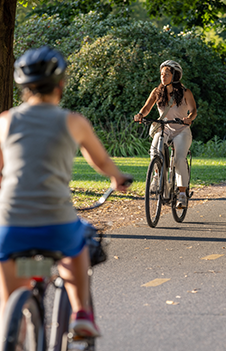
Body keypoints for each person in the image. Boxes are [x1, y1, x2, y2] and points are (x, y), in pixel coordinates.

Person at [0, 46, 132, 337]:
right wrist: (117, 178)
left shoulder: (6, 121)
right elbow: (101, 161)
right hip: (56, 222)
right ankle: (81, 314)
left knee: (10, 304)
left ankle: (14, 330)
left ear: (23, 87)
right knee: (78, 244)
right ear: (61, 84)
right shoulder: (73, 122)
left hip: (11, 224)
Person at [134, 60, 197, 208]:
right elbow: (146, 107)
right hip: (164, 128)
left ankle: (182, 194)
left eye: (167, 74)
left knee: (179, 159)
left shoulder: (185, 92)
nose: (163, 77)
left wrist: (189, 118)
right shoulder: (157, 91)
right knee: (155, 150)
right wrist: (140, 115)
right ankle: (156, 177)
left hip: (181, 129)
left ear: (175, 76)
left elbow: (193, 110)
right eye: (162, 74)